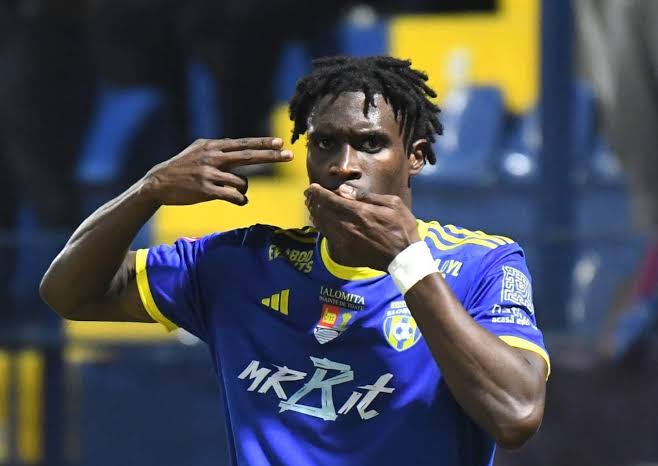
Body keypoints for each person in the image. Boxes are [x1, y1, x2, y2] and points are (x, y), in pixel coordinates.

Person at [40, 56, 549, 466]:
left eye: (370, 144)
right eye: (325, 143)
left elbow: (517, 414)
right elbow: (69, 294)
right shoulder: (238, 263)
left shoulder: (483, 264)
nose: (344, 166)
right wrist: (148, 190)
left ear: (414, 156)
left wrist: (407, 262)